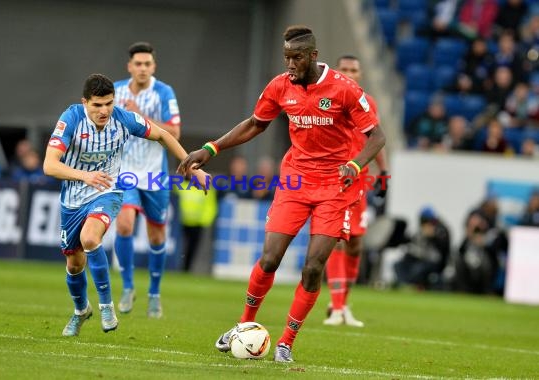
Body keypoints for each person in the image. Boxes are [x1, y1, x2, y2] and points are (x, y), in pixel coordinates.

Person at [178, 25, 385, 362]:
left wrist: (356, 165)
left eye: (297, 58)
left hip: (335, 186)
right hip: (296, 181)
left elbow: (377, 137)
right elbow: (255, 123)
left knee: (313, 267)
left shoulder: (345, 90)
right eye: (286, 57)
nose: (290, 64)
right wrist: (211, 148)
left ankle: (287, 341)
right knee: (270, 258)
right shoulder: (280, 86)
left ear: (314, 56)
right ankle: (243, 326)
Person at [43, 73, 206, 337]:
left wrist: (192, 167)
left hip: (108, 191)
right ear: (85, 102)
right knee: (74, 265)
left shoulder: (123, 118)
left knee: (90, 238)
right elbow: (49, 165)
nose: (104, 110)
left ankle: (107, 306)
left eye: (108, 103)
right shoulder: (71, 119)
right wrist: (85, 176)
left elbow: (164, 135)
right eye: (97, 105)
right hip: (73, 198)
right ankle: (81, 310)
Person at [112, 42, 182, 318]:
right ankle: (128, 286)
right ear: (130, 66)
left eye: (147, 64)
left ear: (153, 66)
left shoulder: (164, 93)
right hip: (123, 171)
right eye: (137, 64)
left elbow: (174, 131)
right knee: (125, 224)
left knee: (157, 235)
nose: (142, 68)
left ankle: (154, 293)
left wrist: (140, 116)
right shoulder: (114, 91)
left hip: (154, 174)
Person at [323, 54, 389, 327]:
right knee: (336, 238)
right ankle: (337, 307)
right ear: (337, 71)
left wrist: (383, 174)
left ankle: (343, 304)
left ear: (360, 74)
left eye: (354, 69)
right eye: (345, 68)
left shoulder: (368, 103)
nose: (349, 73)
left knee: (355, 243)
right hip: (332, 178)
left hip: (360, 181)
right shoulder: (326, 99)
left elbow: (374, 139)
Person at [393, 207, 451, 290]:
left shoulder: (441, 231)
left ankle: (415, 287)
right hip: (418, 259)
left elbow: (442, 253)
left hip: (433, 262)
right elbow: (412, 244)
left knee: (418, 269)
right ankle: (405, 285)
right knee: (398, 265)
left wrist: (432, 237)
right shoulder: (420, 230)